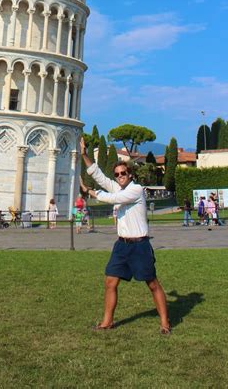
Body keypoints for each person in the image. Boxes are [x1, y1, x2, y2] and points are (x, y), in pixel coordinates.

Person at [81, 143, 171, 335]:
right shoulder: (118, 188)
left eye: (123, 173)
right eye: (117, 174)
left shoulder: (136, 190)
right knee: (110, 282)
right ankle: (107, 322)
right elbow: (99, 176)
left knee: (152, 284)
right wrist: (85, 155)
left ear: (130, 174)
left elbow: (112, 199)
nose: (120, 176)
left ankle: (165, 323)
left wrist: (90, 192)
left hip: (139, 245)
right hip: (121, 245)